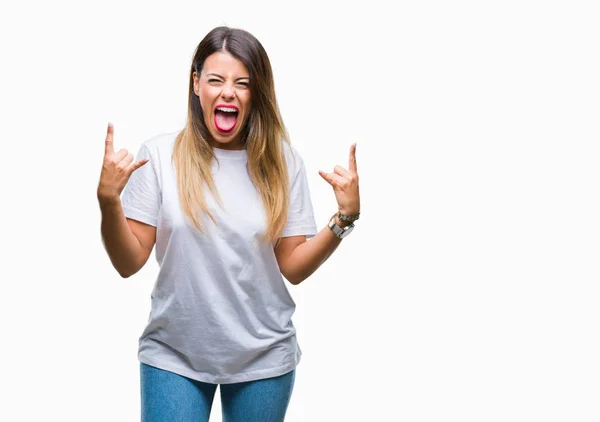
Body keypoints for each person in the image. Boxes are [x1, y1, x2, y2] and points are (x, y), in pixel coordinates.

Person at [97, 26, 360, 421]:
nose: (228, 92)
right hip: (174, 354)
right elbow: (127, 261)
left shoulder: (283, 163)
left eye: (242, 83)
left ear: (257, 94)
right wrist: (108, 202)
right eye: (216, 80)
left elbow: (293, 266)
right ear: (196, 84)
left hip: (262, 357)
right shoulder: (159, 155)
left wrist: (344, 219)